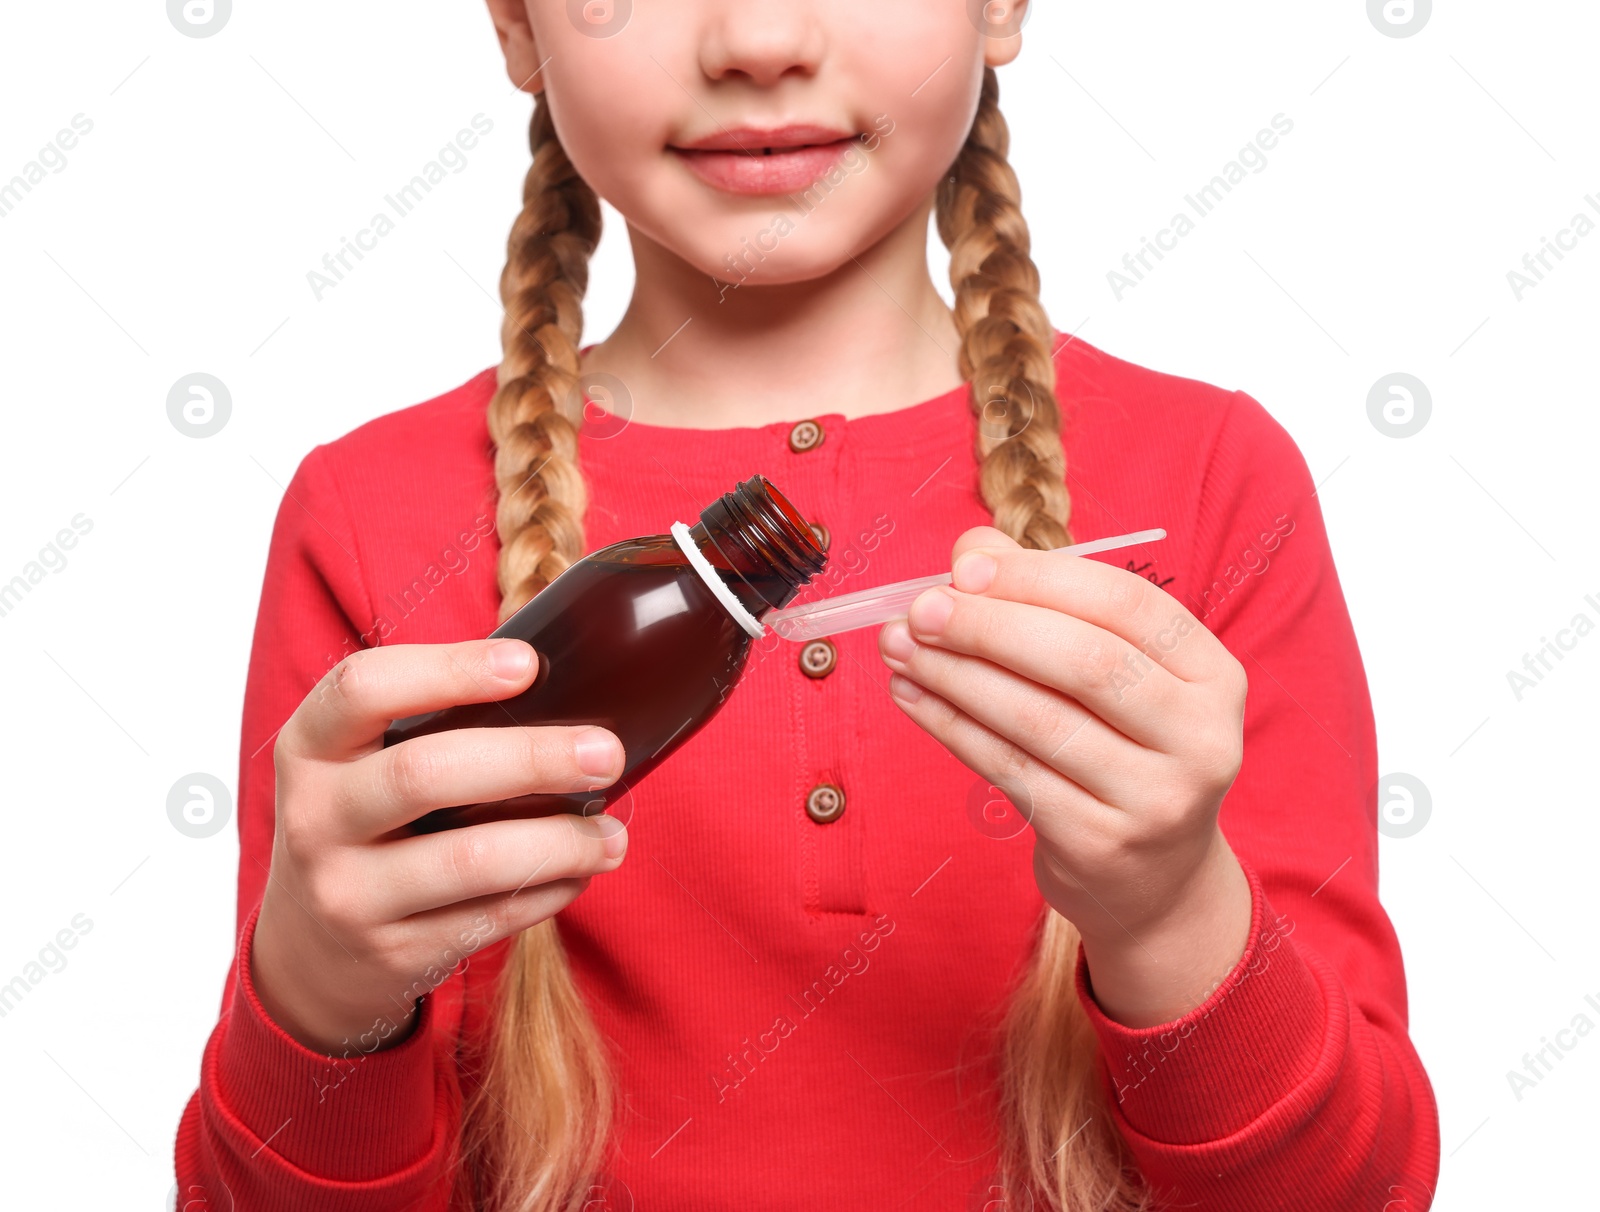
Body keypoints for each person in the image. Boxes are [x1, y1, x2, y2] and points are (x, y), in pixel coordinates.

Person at [172, 2, 1440, 1208]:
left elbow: (1357, 1192)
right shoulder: (366, 516)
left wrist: (1168, 908)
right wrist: (321, 997)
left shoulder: (1208, 484)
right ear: (516, 24)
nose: (760, 40)